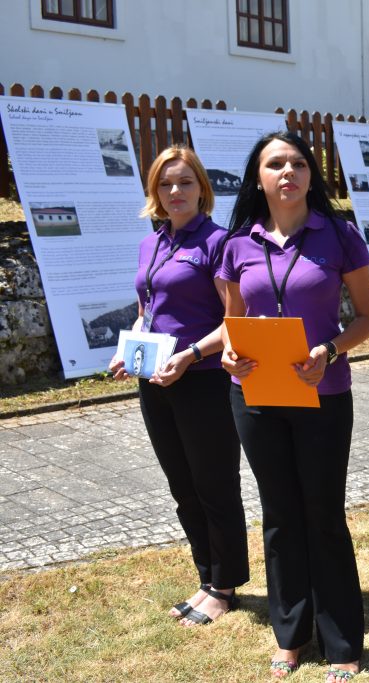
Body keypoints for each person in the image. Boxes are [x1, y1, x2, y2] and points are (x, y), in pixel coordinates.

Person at [218, 131, 369, 682]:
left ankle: (341, 642)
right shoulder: (237, 243)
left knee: (323, 516)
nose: (287, 172)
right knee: (280, 517)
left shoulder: (339, 236)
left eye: (297, 163)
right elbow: (230, 325)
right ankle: (291, 634)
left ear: (311, 175)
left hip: (323, 395)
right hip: (255, 397)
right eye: (275, 164)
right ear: (258, 177)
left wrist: (330, 350)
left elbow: (368, 317)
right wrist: (231, 356)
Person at [109, 145, 248, 627]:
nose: (174, 192)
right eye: (165, 184)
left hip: (204, 381)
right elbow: (149, 307)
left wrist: (190, 355)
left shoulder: (219, 242)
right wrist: (129, 348)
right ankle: (206, 576)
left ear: (201, 188)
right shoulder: (152, 243)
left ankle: (225, 586)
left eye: (184, 182)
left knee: (214, 484)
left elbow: (236, 321)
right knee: (182, 486)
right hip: (156, 380)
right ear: (154, 191)